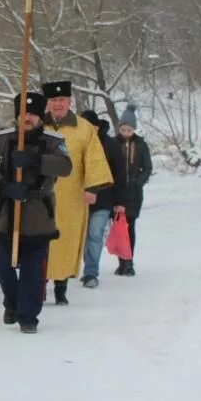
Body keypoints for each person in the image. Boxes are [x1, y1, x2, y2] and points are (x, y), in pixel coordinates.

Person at [0, 93, 72, 333]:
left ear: (40, 117)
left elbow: (65, 166)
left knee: (32, 273)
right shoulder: (0, 140)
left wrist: (37, 160)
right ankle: (12, 302)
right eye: (23, 114)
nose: (27, 118)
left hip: (39, 217)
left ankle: (28, 316)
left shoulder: (53, 140)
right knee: (3, 267)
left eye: (32, 114)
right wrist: (4, 186)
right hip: (7, 216)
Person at [41, 81, 113, 305]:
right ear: (48, 103)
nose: (58, 104)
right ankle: (38, 286)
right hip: (39, 194)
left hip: (71, 195)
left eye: (62, 100)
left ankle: (61, 286)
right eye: (53, 100)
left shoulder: (84, 128)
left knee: (65, 240)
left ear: (70, 101)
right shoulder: (37, 125)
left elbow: (94, 158)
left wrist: (92, 187)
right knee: (38, 241)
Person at [79, 110, 127, 288]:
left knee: (95, 235)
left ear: (98, 126)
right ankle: (81, 267)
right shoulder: (76, 142)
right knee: (81, 236)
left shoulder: (110, 145)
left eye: (92, 126)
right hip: (79, 199)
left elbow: (120, 175)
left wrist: (120, 201)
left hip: (103, 199)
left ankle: (91, 272)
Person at [115, 105, 153, 276]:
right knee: (118, 228)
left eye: (129, 129)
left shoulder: (141, 145)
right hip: (117, 192)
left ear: (134, 129)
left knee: (129, 227)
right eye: (123, 129)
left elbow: (147, 167)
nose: (126, 132)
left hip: (134, 193)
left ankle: (129, 261)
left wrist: (139, 182)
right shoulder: (114, 143)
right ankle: (121, 261)